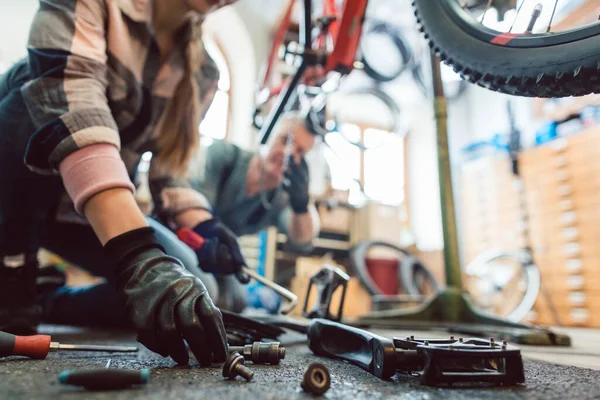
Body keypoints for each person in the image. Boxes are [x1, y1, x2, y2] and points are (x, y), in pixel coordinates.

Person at [0, 0, 243, 367]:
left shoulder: (204, 73)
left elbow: (171, 168)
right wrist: (135, 253)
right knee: (28, 95)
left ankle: (50, 297)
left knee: (183, 295)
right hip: (13, 192)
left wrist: (204, 225)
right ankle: (13, 270)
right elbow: (73, 116)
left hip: (81, 212)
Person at [187, 112, 321, 312]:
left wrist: (302, 204)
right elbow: (189, 209)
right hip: (186, 240)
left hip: (219, 258)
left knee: (237, 301)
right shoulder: (223, 156)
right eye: (285, 140)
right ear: (268, 136)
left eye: (300, 152)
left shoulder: (279, 199)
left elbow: (303, 241)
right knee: (204, 290)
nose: (288, 153)